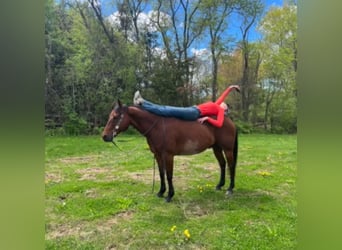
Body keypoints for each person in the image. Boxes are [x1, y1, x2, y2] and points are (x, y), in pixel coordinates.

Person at [133, 85, 240, 128]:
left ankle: (141, 103)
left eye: (225, 104)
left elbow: (219, 123)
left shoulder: (220, 110)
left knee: (167, 110)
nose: (223, 102)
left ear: (225, 109)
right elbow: (223, 95)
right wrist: (231, 88)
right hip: (193, 109)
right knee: (166, 108)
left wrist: (207, 118)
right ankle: (142, 102)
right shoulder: (217, 105)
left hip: (195, 113)